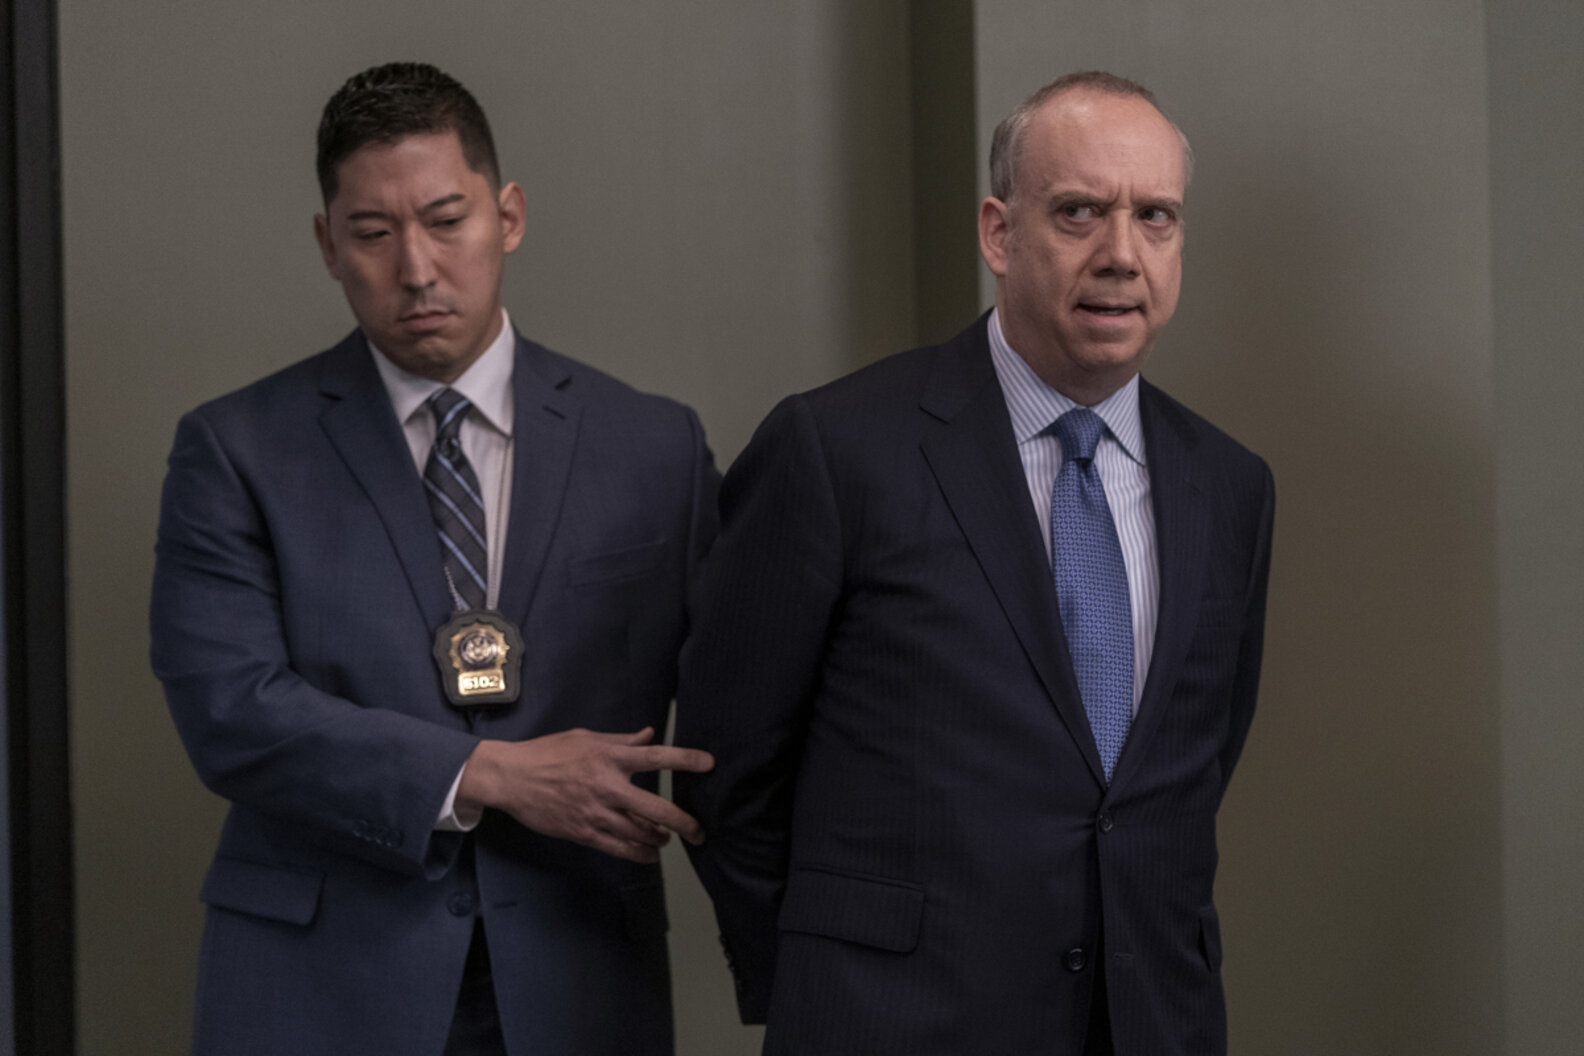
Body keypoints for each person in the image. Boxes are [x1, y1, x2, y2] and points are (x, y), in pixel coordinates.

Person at [675, 71, 1274, 1055]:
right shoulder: (837, 450)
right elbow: (727, 774)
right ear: (999, 233)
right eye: (1078, 212)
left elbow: (1184, 775)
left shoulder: (1232, 485)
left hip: (1151, 1025)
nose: (1121, 254)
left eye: (1155, 217)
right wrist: (833, 984)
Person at [150, 63, 717, 1056]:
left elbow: (739, 696)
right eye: (373, 233)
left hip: (580, 970)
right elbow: (231, 712)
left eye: (447, 221)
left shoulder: (655, 447)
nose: (416, 268)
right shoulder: (235, 449)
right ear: (328, 244)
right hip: (318, 985)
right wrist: (487, 773)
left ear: (509, 216)